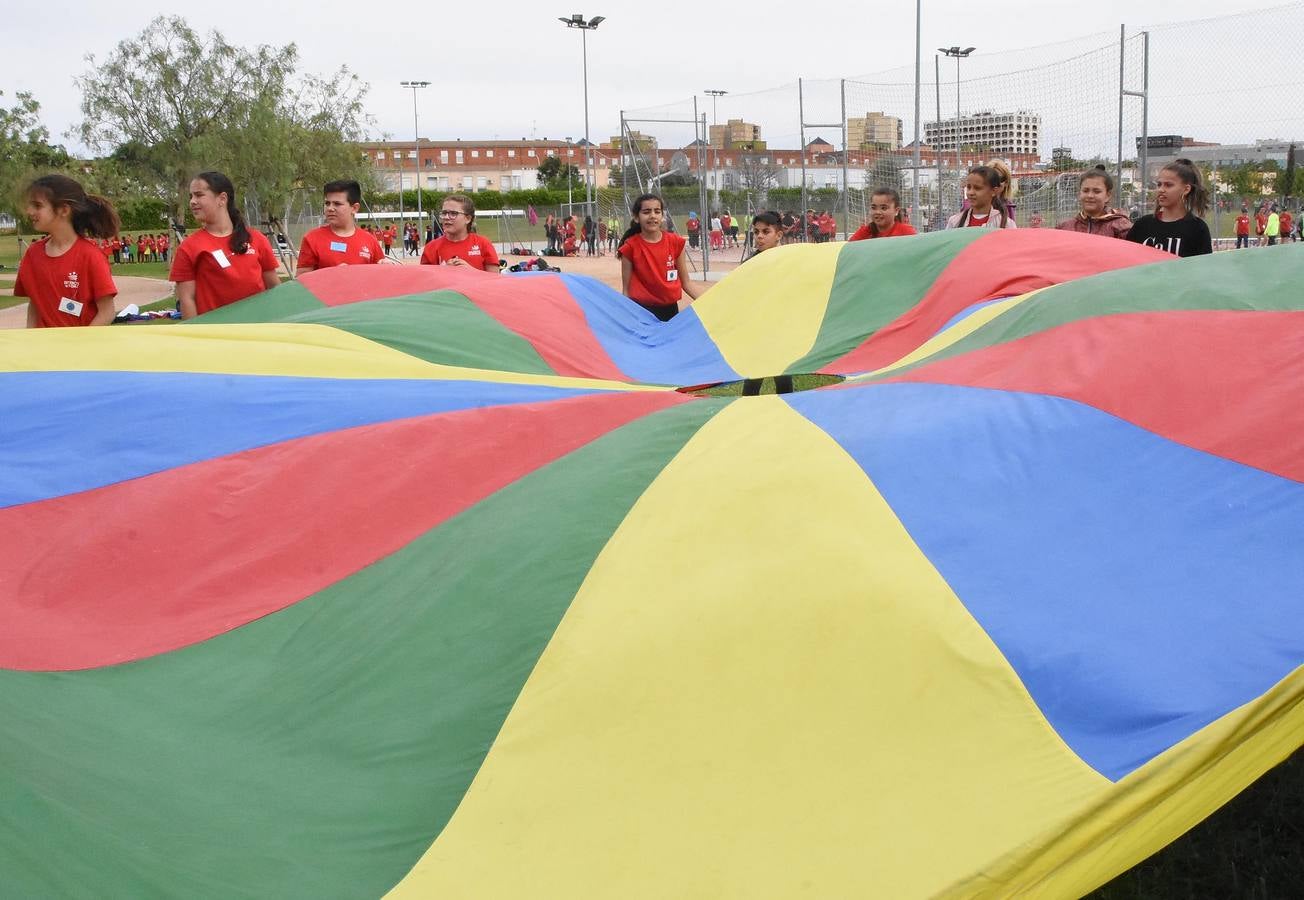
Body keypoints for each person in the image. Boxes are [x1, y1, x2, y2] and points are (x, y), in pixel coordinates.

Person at [13, 173, 119, 328]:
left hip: (80, 348)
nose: (29, 211)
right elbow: (35, 304)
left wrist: (78, 346)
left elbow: (107, 312)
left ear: (63, 210)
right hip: (44, 349)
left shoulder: (91, 256)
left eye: (37, 206)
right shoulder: (32, 254)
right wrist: (31, 339)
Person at [171, 170, 280, 319]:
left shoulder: (256, 239)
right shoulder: (188, 247)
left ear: (222, 199)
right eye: (191, 196)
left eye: (199, 195)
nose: (192, 201)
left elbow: (274, 288)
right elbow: (187, 299)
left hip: (257, 331)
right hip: (217, 336)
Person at [617, 193, 704, 322]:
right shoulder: (630, 247)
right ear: (636, 217)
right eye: (646, 212)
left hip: (670, 311)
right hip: (641, 311)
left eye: (657, 211)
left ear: (662, 216)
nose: (652, 215)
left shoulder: (675, 242)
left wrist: (709, 304)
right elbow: (626, 290)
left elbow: (686, 283)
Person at [740, 209, 793, 396]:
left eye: (765, 232)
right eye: (756, 232)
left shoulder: (790, 261)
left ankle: (787, 411)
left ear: (778, 235)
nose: (759, 237)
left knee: (784, 377)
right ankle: (747, 411)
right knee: (753, 378)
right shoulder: (749, 265)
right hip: (758, 331)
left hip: (781, 329)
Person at [1125, 158, 1212, 258]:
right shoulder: (1142, 225)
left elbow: (1202, 268)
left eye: (1168, 185)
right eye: (1159, 184)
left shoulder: (1197, 228)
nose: (1161, 190)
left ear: (1186, 189)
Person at [297, 180, 384, 274]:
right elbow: (301, 281)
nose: (330, 208)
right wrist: (333, 276)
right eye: (327, 203)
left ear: (354, 208)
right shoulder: (312, 239)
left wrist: (385, 267)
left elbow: (378, 279)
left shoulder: (369, 240)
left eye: (337, 204)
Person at [420, 194, 500, 270]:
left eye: (453, 213)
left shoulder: (483, 244)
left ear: (468, 218)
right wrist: (443, 271)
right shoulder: (431, 248)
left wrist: (471, 271)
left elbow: (494, 280)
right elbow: (425, 281)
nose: (447, 217)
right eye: (444, 213)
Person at [1055, 166, 1132, 239]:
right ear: (1079, 194)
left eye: (1097, 191)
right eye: (1085, 191)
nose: (1090, 195)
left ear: (1108, 196)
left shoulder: (1122, 227)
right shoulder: (1065, 228)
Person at [946, 164, 1017, 229]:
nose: (970, 192)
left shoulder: (1006, 224)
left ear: (993, 191)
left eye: (977, 188)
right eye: (968, 187)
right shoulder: (955, 222)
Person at [849, 188, 918, 240]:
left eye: (883, 208)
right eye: (873, 207)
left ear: (896, 211)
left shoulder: (907, 232)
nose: (877, 212)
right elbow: (849, 250)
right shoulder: (864, 232)